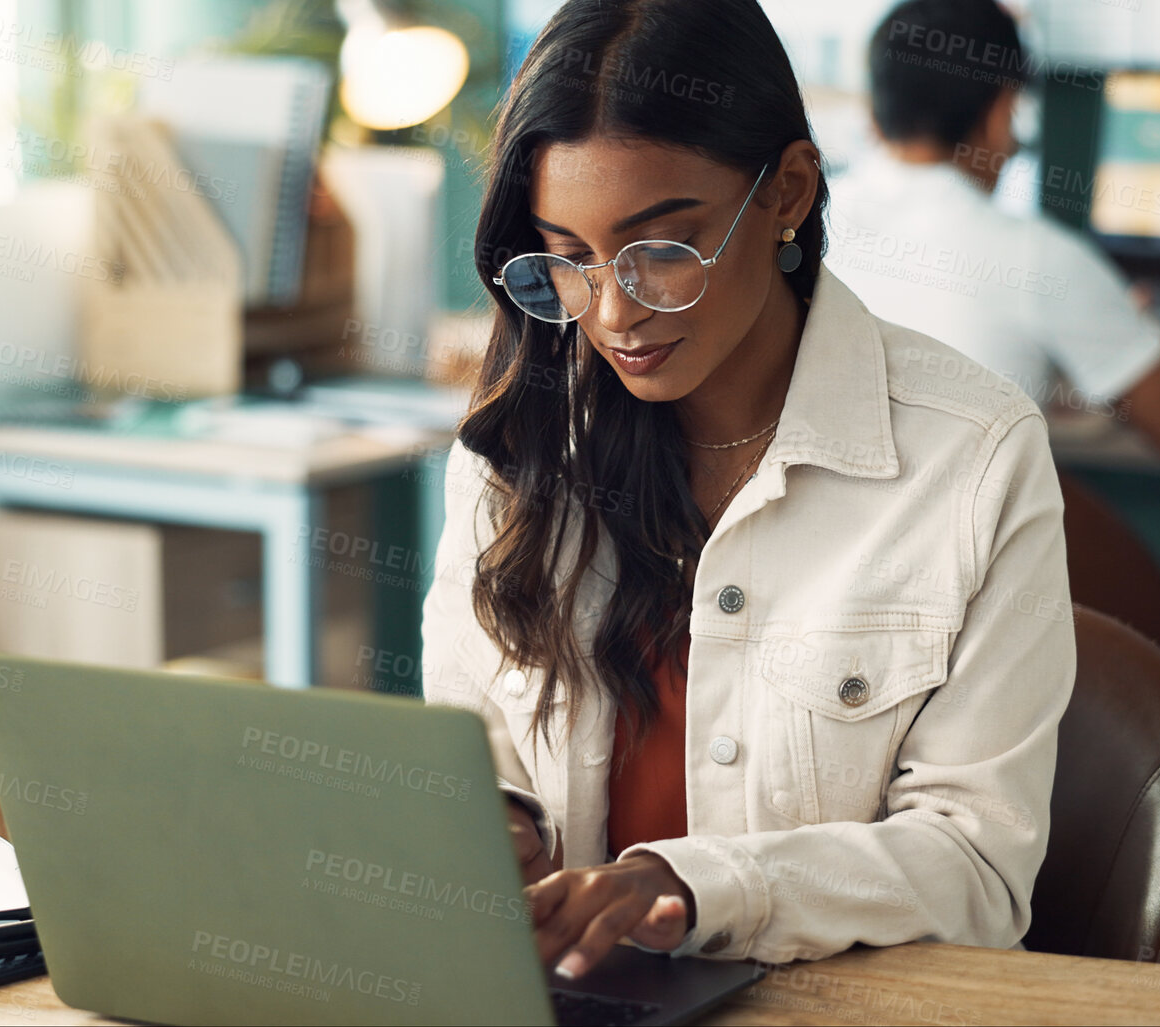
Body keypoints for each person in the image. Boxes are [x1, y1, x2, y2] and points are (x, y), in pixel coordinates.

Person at [421, 0, 1075, 975]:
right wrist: (496, 824)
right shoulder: (517, 450)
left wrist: (694, 890)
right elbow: (470, 752)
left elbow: (977, 868)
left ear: (790, 192)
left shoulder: (974, 453)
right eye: (568, 257)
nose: (611, 312)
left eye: (661, 251)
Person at [829, 0, 1160, 475]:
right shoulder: (1039, 257)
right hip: (969, 546)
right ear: (1002, 113)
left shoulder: (804, 225)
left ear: (876, 113)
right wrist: (1128, 336)